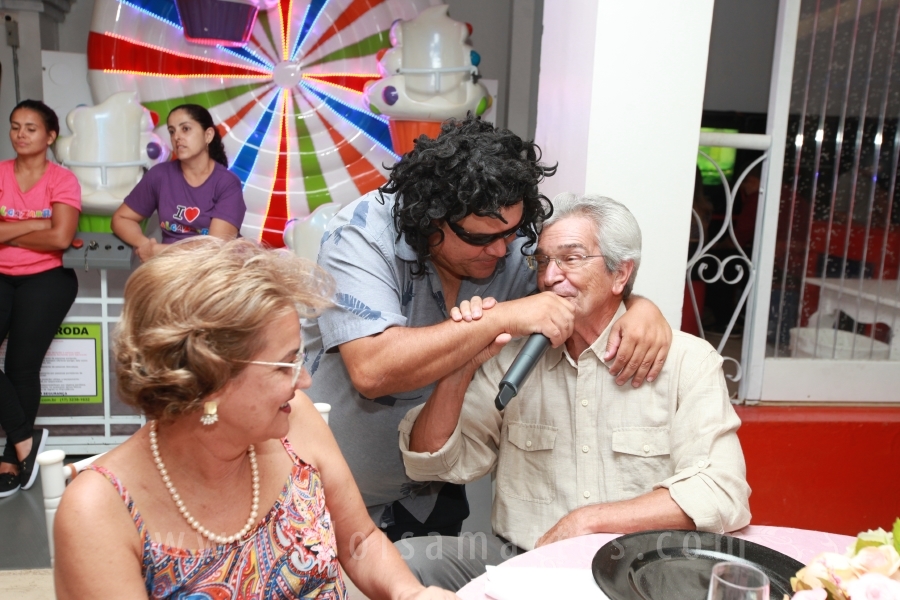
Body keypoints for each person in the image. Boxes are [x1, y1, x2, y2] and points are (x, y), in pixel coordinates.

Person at [302, 116, 673, 543]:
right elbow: (373, 369)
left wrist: (638, 305)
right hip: (330, 490)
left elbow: (579, 293)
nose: (502, 251)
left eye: (512, 234)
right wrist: (501, 317)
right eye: (480, 239)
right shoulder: (362, 236)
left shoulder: (508, 243)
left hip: (428, 493)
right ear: (430, 220)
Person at [53, 238, 458, 599]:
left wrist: (409, 593)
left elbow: (360, 540)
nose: (305, 380)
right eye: (284, 365)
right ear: (209, 376)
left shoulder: (295, 421)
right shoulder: (98, 511)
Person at [399, 194, 752, 590]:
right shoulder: (510, 358)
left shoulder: (686, 361)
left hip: (638, 572)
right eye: (544, 261)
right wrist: (461, 365)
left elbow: (722, 491)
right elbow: (429, 461)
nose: (550, 277)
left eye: (571, 258)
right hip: (526, 560)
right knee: (409, 562)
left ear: (621, 275)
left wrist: (588, 521)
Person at [0, 100, 80, 497]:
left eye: (31, 128)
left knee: (20, 368)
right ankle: (24, 439)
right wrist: (37, 222)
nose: (20, 134)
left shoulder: (63, 180)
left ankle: (10, 458)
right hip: (1, 275)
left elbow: (61, 238)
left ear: (49, 137)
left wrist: (9, 228)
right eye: (15, 127)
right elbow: (49, 231)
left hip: (47, 279)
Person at [111, 104, 245, 262]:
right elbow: (121, 219)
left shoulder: (227, 184)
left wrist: (161, 251)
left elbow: (215, 248)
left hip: (211, 274)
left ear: (208, 135)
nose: (177, 137)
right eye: (172, 131)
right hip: (168, 270)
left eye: (186, 129)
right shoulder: (159, 175)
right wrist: (146, 245)